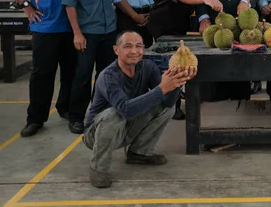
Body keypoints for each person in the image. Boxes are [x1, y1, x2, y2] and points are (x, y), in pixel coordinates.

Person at [0, 0, 82, 137]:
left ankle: (70, 112)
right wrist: (26, 6)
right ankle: (36, 119)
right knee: (42, 75)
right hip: (45, 28)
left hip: (73, 29)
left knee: (72, 74)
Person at [83, 31, 196, 188]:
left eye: (138, 46)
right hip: (96, 134)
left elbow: (168, 102)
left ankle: (139, 153)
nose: (134, 51)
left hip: (127, 125)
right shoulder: (108, 76)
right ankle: (98, 170)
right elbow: (125, 110)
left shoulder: (148, 67)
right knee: (113, 114)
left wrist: (178, 81)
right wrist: (162, 89)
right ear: (116, 50)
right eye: (127, 46)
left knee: (166, 109)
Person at [148, 0, 223, 119]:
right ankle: (166, 110)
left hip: (179, 26)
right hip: (164, 29)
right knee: (169, 69)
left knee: (183, 67)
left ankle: (178, 104)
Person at [62, 0, 117, 135]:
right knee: (83, 76)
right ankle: (76, 117)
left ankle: (98, 114)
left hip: (108, 32)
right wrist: (77, 33)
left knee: (105, 76)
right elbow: (70, 5)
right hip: (87, 34)